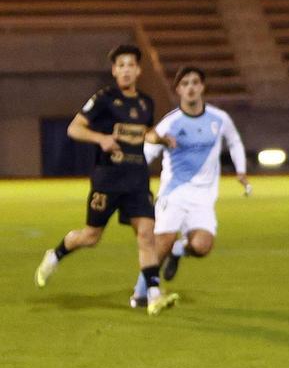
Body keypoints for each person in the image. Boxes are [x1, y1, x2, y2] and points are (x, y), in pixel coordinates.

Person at [35, 44, 179, 315]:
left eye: (130, 65)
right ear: (114, 70)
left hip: (137, 179)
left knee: (146, 234)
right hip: (108, 179)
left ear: (138, 70)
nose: (126, 70)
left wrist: (160, 138)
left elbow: (144, 132)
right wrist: (100, 138)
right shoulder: (104, 99)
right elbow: (74, 128)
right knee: (91, 237)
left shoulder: (146, 102)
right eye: (120, 65)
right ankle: (55, 255)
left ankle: (154, 295)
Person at [136, 65, 249, 307]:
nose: (190, 88)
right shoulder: (171, 122)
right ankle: (140, 293)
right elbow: (148, 150)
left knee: (202, 246)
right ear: (178, 89)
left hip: (203, 198)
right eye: (185, 83)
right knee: (162, 242)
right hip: (174, 193)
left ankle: (179, 250)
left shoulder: (219, 118)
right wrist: (133, 174)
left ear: (202, 87)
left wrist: (240, 169)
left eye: (195, 82)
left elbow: (234, 141)